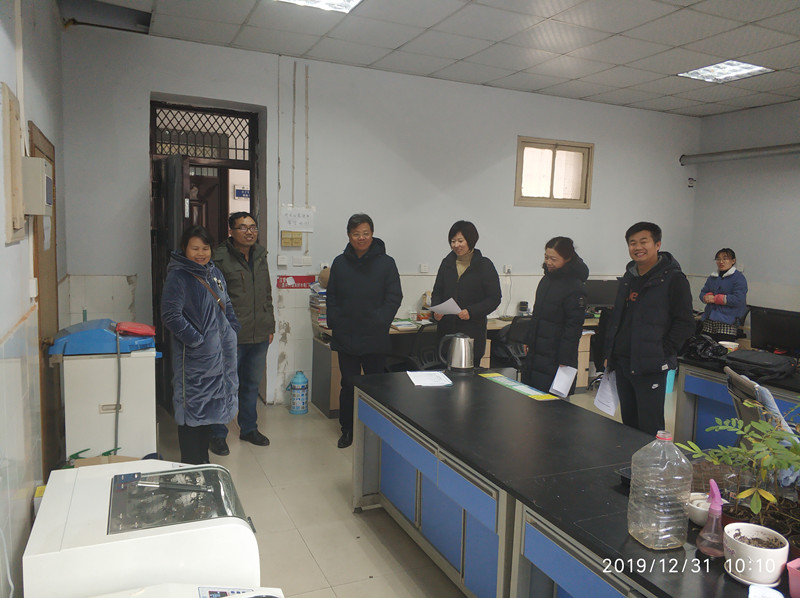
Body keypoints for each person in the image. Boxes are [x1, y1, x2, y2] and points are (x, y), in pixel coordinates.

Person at [604, 222, 695, 436]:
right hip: (624, 361)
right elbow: (618, 318)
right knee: (629, 423)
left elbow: (685, 322)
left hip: (651, 364)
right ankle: (631, 457)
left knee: (649, 425)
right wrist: (609, 352)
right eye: (632, 243)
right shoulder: (629, 276)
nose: (637, 247)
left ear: (657, 244)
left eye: (643, 242)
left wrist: (662, 351)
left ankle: (651, 459)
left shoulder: (673, 279)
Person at [161, 225, 239, 464]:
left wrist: (232, 329)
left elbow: (227, 303)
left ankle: (202, 465)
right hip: (195, 363)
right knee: (192, 416)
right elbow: (170, 315)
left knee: (207, 417)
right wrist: (197, 341)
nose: (200, 253)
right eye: (195, 248)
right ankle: (192, 469)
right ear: (184, 249)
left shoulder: (214, 273)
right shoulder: (179, 276)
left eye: (205, 248)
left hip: (219, 361)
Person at [326, 213, 402, 448]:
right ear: (349, 235)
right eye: (356, 234)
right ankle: (347, 430)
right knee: (348, 385)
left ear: (372, 234)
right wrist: (335, 322)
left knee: (374, 386)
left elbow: (394, 296)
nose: (361, 238)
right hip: (346, 335)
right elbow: (332, 296)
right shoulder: (340, 262)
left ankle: (373, 430)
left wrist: (380, 320)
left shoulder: (386, 263)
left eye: (365, 233)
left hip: (374, 336)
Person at [209, 212, 276, 456]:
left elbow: (266, 292)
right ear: (231, 231)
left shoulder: (260, 255)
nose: (249, 232)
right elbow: (213, 298)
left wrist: (270, 325)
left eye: (253, 227)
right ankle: (217, 434)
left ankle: (249, 429)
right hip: (231, 335)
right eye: (243, 227)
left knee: (250, 385)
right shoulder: (219, 258)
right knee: (225, 386)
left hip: (260, 333)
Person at [521, 237, 588, 394]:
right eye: (546, 257)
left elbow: (573, 327)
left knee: (551, 401)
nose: (548, 262)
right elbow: (537, 315)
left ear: (567, 259)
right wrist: (529, 339)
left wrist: (565, 358)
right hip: (537, 351)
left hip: (557, 356)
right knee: (531, 395)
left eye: (553, 259)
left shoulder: (575, 286)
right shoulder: (546, 280)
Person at [432, 221, 501, 368]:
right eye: (453, 241)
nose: (456, 245)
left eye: (460, 241)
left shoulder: (484, 265)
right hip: (446, 333)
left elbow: (494, 298)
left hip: (471, 333)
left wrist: (471, 311)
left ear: (470, 240)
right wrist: (436, 309)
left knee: (468, 376)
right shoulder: (447, 263)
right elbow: (437, 291)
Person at [699, 248, 748, 342]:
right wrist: (706, 297)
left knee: (723, 349)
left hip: (727, 322)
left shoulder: (738, 278)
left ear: (733, 261)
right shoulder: (713, 277)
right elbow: (703, 292)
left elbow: (738, 299)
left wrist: (716, 299)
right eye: (718, 259)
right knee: (704, 346)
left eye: (725, 259)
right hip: (709, 320)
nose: (721, 262)